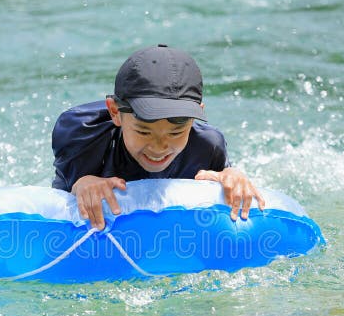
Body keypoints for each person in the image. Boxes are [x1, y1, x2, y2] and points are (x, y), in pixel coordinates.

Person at [51, 44, 265, 230]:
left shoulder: (207, 145)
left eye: (176, 132)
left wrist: (232, 176)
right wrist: (83, 182)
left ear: (195, 117)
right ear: (115, 112)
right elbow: (70, 190)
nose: (160, 146)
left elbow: (225, 182)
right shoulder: (82, 133)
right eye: (144, 131)